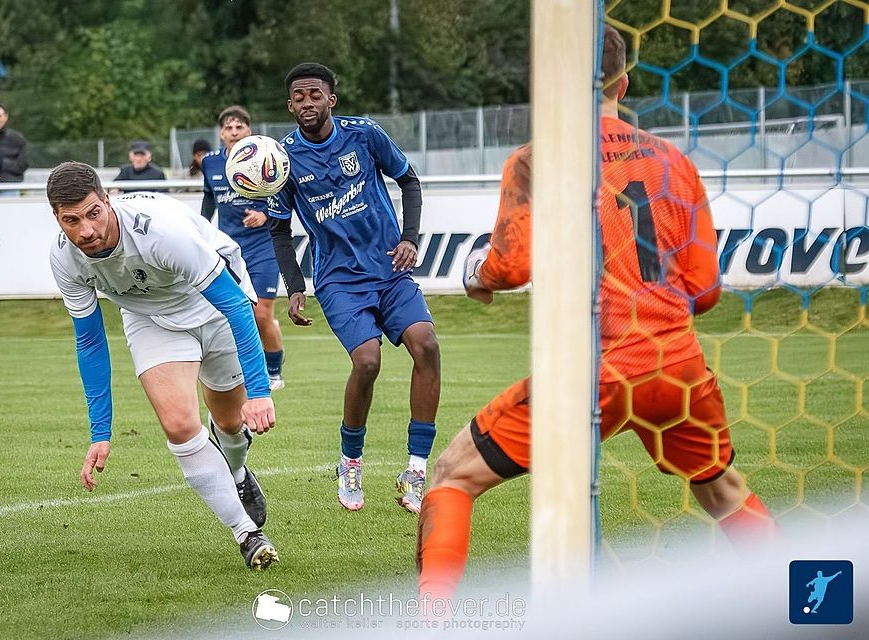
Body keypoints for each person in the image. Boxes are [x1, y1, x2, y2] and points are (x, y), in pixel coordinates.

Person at [415, 26, 775, 600]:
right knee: (723, 489)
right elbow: (705, 291)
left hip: (595, 369)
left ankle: (431, 627)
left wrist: (474, 277)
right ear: (623, 82)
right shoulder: (672, 160)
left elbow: (510, 267)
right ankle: (817, 607)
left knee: (452, 476)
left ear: (553, 85)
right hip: (675, 364)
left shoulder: (537, 160)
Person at [46, 161, 278, 570]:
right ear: (57, 218)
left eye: (93, 213)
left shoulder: (162, 233)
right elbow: (89, 340)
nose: (86, 231)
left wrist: (259, 392)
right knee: (177, 424)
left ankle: (238, 472)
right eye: (71, 220)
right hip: (151, 319)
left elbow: (238, 308)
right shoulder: (66, 258)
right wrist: (100, 432)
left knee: (227, 422)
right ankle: (247, 533)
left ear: (107, 201)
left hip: (214, 305)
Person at [269, 63, 440, 514]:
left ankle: (416, 470)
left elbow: (409, 180)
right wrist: (294, 286)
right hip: (338, 279)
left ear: (331, 99)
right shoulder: (282, 161)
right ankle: (350, 462)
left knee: (426, 345)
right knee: (367, 362)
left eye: (315, 94)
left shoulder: (364, 135)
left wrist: (410, 238)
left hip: (389, 268)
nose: (307, 102)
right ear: (290, 106)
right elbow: (279, 231)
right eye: (299, 97)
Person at [201, 106, 286, 390]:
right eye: (228, 128)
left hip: (263, 246)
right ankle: (243, 371)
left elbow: (285, 199)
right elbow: (208, 199)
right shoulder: (211, 163)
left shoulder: (265, 156)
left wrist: (265, 215)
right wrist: (201, 230)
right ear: (221, 133)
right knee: (235, 311)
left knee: (262, 314)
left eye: (239, 127)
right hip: (228, 248)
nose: (234, 132)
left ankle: (274, 372)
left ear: (248, 131)